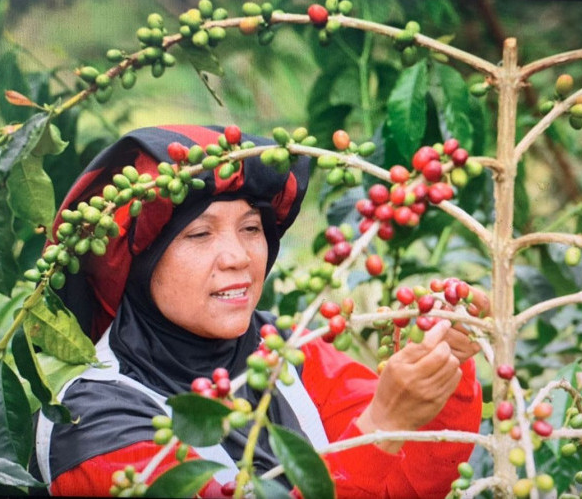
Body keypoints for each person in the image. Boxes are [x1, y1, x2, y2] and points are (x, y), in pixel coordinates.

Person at [33, 124, 484, 498]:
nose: (239, 257)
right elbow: (375, 444)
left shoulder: (284, 350)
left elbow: (411, 480)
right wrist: (383, 425)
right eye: (199, 235)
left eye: (251, 227)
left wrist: (442, 368)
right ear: (140, 262)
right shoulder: (91, 424)